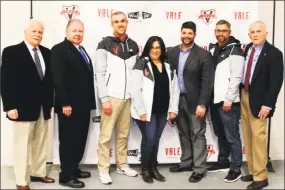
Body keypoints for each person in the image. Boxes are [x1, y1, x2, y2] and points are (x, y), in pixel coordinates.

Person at [1, 19, 55, 190]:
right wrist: (9, 106)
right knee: (22, 144)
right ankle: (21, 181)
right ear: (25, 32)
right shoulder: (11, 52)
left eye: (40, 32)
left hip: (43, 107)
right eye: (34, 31)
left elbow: (48, 81)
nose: (37, 35)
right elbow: (5, 81)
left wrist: (51, 103)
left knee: (40, 142)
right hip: (21, 108)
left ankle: (38, 173)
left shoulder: (47, 52)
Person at [94, 11, 139, 185]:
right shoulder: (104, 44)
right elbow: (99, 74)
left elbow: (135, 74)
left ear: (127, 23)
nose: (120, 24)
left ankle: (122, 164)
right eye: (116, 22)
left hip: (128, 98)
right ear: (112, 24)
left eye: (122, 21)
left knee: (123, 135)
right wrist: (104, 98)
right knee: (105, 136)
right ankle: (103, 169)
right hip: (111, 97)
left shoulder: (133, 45)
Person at [50, 19, 96, 189]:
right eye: (74, 30)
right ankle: (66, 175)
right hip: (69, 106)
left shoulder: (81, 49)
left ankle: (74, 168)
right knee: (69, 140)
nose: (78, 34)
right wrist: (65, 103)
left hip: (82, 105)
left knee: (79, 139)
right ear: (67, 31)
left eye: (80, 31)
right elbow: (58, 79)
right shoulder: (59, 50)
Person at [168, 21, 214, 183]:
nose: (186, 36)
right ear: (180, 33)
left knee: (197, 134)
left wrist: (202, 104)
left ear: (194, 34)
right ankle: (186, 162)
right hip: (176, 99)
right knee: (183, 132)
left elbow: (207, 82)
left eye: (190, 33)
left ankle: (199, 168)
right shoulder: (172, 52)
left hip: (195, 102)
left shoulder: (203, 55)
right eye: (184, 32)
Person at [240, 21, 283, 190]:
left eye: (259, 31)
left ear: (266, 33)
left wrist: (268, 104)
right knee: (248, 136)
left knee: (258, 138)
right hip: (244, 95)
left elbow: (276, 82)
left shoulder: (274, 53)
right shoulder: (248, 48)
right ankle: (252, 170)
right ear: (249, 34)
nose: (255, 34)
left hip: (260, 102)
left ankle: (261, 177)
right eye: (252, 32)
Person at [130, 36, 180, 183]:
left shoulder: (168, 65)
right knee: (149, 139)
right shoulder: (141, 64)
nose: (155, 50)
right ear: (147, 49)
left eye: (158, 48)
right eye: (152, 48)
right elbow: (135, 89)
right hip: (147, 111)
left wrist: (173, 109)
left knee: (155, 139)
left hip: (163, 110)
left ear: (162, 49)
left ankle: (153, 168)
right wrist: (141, 111)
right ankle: (145, 169)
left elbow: (175, 89)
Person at [207, 20, 244, 183]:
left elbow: (236, 78)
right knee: (220, 133)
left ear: (229, 32)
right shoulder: (214, 48)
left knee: (232, 135)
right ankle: (223, 161)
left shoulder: (235, 50)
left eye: (224, 31)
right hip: (214, 100)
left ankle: (236, 168)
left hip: (227, 102)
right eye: (218, 30)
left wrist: (229, 99)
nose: (220, 33)